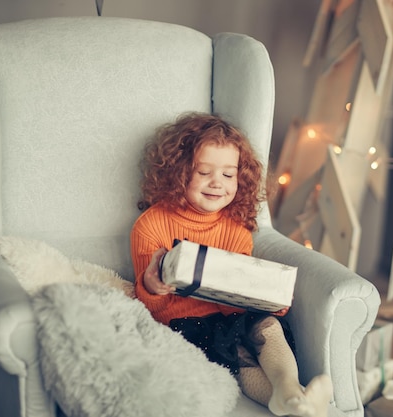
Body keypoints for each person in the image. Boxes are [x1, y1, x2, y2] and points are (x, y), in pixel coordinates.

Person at [130, 112, 333, 417]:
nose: (217, 184)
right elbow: (153, 308)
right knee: (236, 355)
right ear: (178, 172)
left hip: (228, 316)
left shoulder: (236, 228)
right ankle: (289, 404)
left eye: (228, 175)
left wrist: (265, 301)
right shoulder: (151, 225)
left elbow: (237, 292)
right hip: (184, 325)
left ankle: (290, 389)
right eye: (203, 172)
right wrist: (152, 285)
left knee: (267, 327)